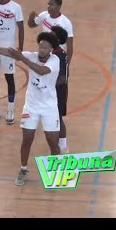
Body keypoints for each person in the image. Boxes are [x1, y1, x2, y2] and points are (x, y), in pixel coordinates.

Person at [0, 32, 61, 186]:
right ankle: (23, 169)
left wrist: (22, 58)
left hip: (49, 107)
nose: (41, 50)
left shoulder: (55, 61)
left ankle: (56, 170)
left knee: (52, 141)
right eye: (40, 47)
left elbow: (40, 71)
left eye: (45, 48)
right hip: (31, 106)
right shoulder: (31, 56)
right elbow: (8, 51)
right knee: (27, 139)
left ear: (51, 49)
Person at [27, 0, 73, 66]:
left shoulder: (66, 22)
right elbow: (31, 25)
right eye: (48, 4)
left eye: (52, 4)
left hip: (57, 54)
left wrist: (67, 66)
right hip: (44, 54)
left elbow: (70, 48)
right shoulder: (44, 15)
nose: (48, 6)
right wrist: (31, 17)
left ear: (58, 6)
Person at [50, 25, 69, 154]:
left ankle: (62, 146)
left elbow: (62, 78)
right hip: (55, 90)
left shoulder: (59, 56)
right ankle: (60, 144)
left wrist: (48, 85)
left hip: (59, 90)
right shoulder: (56, 52)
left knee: (58, 117)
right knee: (55, 117)